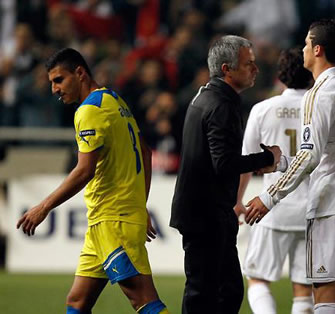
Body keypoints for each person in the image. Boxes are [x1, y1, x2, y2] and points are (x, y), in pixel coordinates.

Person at [16, 48, 169, 314]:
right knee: (77, 301)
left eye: (59, 80)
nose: (54, 89)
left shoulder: (89, 111)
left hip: (113, 221)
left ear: (80, 73)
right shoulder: (114, 101)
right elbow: (145, 151)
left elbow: (84, 170)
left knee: (143, 300)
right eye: (52, 82)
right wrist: (139, 206)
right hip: (106, 220)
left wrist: (43, 207)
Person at [245, 19, 335, 314]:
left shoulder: (320, 93)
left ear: (317, 49)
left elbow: (309, 155)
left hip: (333, 205)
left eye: (307, 43)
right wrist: (281, 162)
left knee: (325, 296)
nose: (304, 48)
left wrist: (269, 197)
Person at [170, 35, 281, 314]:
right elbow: (224, 163)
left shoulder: (205, 96)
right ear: (226, 69)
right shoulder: (222, 105)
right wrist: (269, 159)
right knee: (207, 292)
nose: (256, 69)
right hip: (205, 214)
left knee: (222, 290)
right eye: (248, 64)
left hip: (204, 211)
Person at [234, 47, 314, 313]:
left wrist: (237, 201)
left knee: (258, 280)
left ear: (281, 75)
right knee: (304, 288)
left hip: (272, 208)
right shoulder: (321, 108)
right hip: (314, 209)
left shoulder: (263, 109)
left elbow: (245, 161)